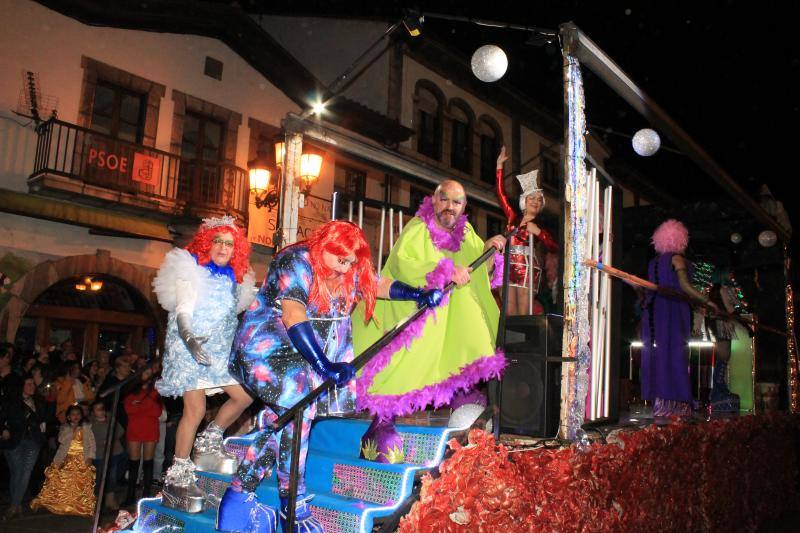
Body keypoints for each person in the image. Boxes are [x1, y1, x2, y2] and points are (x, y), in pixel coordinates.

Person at [217, 220, 442, 533]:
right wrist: (323, 364)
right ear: (325, 248)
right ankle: (291, 505)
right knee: (298, 411)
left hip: (304, 355)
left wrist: (417, 294)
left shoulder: (349, 266)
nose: (345, 269)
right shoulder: (297, 260)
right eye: (340, 261)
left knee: (280, 421)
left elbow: (375, 284)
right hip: (267, 348)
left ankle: (238, 498)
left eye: (351, 262)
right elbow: (294, 312)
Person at [351, 180, 507, 464]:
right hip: (410, 308)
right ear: (434, 201)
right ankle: (381, 422)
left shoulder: (466, 232)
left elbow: (476, 269)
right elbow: (405, 265)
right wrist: (446, 271)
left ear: (463, 207)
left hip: (445, 316)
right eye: (444, 199)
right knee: (404, 359)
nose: (450, 206)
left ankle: (457, 392)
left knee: (467, 320)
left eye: (456, 202)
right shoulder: (418, 228)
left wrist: (489, 249)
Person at [152, 215, 256, 512]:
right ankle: (179, 473)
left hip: (217, 353)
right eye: (218, 242)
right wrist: (190, 340)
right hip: (190, 351)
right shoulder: (192, 273)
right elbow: (183, 312)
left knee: (243, 396)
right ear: (206, 245)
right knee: (194, 410)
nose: (223, 247)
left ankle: (210, 441)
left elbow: (233, 316)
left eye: (229, 243)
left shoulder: (235, 280)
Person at [641, 219, 718, 420]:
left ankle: (662, 404)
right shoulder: (677, 259)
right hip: (673, 309)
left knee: (660, 354)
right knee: (676, 353)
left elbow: (649, 289)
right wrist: (707, 301)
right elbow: (685, 286)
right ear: (681, 240)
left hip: (654, 310)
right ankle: (677, 403)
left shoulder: (652, 263)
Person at [495, 146, 558, 315]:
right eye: (532, 198)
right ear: (524, 201)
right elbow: (501, 195)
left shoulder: (540, 226)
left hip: (526, 268)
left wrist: (538, 233)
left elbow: (554, 248)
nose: (535, 202)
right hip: (508, 265)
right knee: (508, 314)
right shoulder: (512, 218)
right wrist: (499, 167)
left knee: (523, 316)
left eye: (539, 200)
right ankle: (505, 343)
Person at [31, 404, 96, 516]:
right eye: (73, 415)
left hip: (82, 458)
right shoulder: (65, 428)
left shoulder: (86, 428)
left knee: (79, 483)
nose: (76, 417)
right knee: (63, 481)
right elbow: (61, 440)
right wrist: (71, 430)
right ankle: (62, 504)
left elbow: (92, 444)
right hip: (67, 458)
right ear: (69, 417)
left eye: (78, 414)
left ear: (81, 416)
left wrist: (90, 456)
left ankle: (78, 505)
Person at [1, 376, 47, 520]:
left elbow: (45, 417)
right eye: (28, 384)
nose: (32, 386)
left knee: (25, 472)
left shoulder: (38, 401)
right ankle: (17, 505)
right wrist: (3, 429)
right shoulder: (10, 402)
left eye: (33, 384)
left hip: (32, 441)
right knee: (16, 472)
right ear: (21, 386)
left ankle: (14, 506)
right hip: (15, 441)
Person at [122, 365, 162, 504]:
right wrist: (144, 406)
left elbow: (157, 412)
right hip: (134, 428)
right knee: (133, 463)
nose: (148, 375)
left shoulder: (156, 391)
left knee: (148, 463)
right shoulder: (131, 391)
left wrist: (139, 405)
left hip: (150, 428)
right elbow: (128, 409)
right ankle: (130, 494)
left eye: (150, 372)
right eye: (146, 372)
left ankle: (146, 493)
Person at [89, 400, 124, 508]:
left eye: (102, 408)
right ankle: (97, 500)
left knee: (112, 476)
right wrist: (101, 442)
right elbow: (89, 438)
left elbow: (120, 430)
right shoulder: (90, 425)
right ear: (93, 412)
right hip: (99, 454)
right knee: (98, 477)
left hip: (113, 452)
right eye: (97, 409)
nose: (101, 411)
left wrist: (112, 438)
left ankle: (110, 499)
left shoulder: (111, 420)